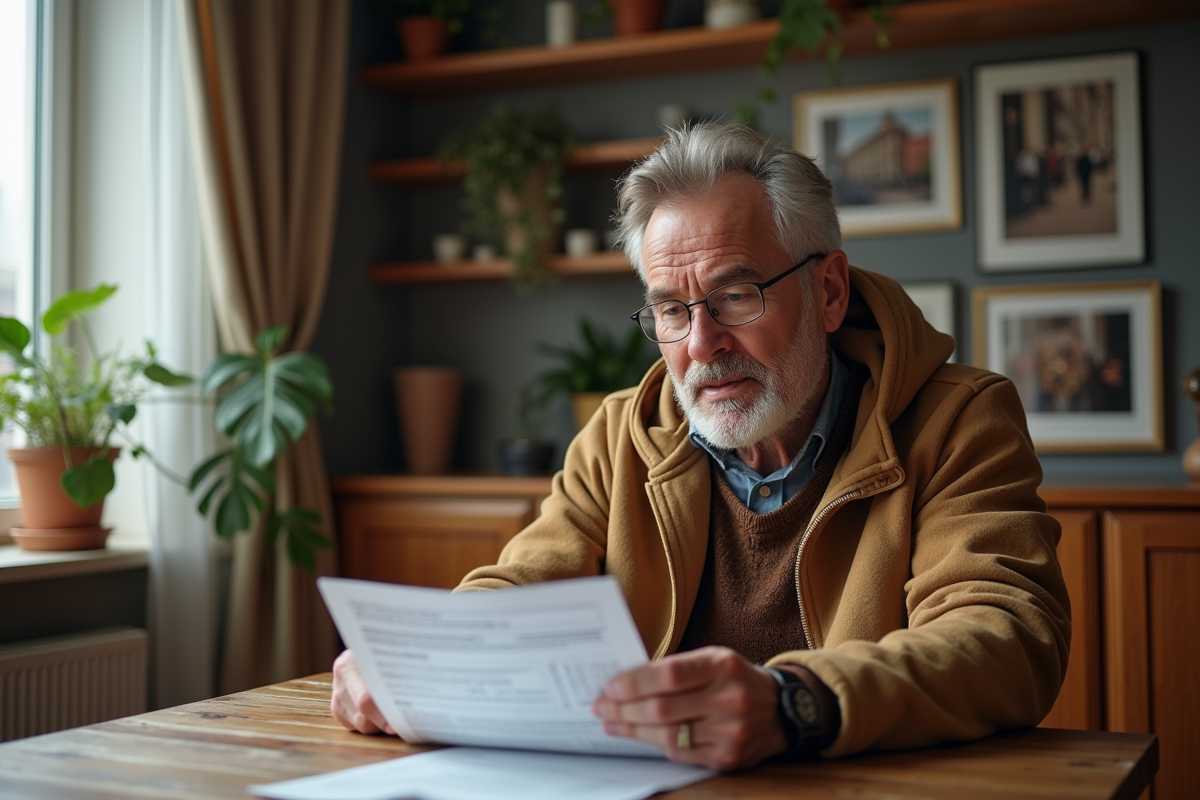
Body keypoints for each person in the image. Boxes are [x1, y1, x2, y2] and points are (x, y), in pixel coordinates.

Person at [332, 123, 1071, 772]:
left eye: (737, 296)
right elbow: (519, 588)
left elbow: (1004, 636)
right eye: (670, 311)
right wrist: (418, 662)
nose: (702, 345)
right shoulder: (623, 431)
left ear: (830, 292)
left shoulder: (960, 419)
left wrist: (794, 704)